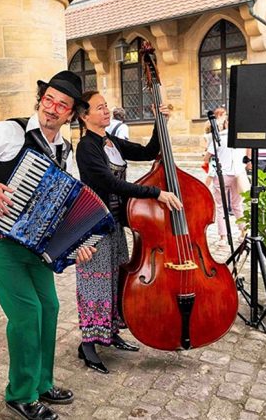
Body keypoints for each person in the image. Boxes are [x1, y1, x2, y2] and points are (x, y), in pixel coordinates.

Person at [0, 71, 96, 420]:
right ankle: (20, 394)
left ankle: (42, 384)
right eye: (48, 100)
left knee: (49, 307)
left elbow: (68, 203)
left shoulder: (64, 150)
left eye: (62, 105)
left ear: (71, 114)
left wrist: (77, 243)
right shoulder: (10, 132)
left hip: (35, 244)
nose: (52, 108)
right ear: (41, 99)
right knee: (27, 313)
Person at [74, 91, 181, 374]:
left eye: (106, 106)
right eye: (99, 108)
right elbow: (110, 183)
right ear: (84, 116)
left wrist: (160, 121)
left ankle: (110, 333)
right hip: (93, 226)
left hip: (115, 223)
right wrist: (155, 193)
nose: (106, 111)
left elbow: (148, 152)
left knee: (116, 278)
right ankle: (88, 344)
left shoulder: (111, 141)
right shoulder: (86, 147)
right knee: (95, 283)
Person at [203, 107, 245, 245]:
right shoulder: (240, 138)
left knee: (221, 206)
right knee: (237, 205)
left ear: (226, 123)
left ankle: (223, 237)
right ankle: (243, 232)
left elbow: (207, 157)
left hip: (222, 174)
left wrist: (207, 157)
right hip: (238, 174)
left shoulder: (219, 137)